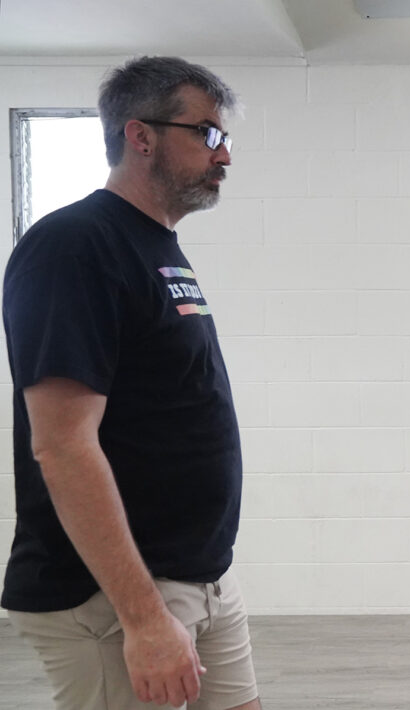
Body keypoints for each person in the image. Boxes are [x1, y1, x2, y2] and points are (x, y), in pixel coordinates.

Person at [1, 57, 261, 710]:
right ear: (139, 135)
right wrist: (144, 618)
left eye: (225, 138)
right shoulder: (73, 246)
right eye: (207, 133)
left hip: (201, 577)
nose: (223, 155)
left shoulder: (158, 245)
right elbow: (60, 445)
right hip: (112, 599)